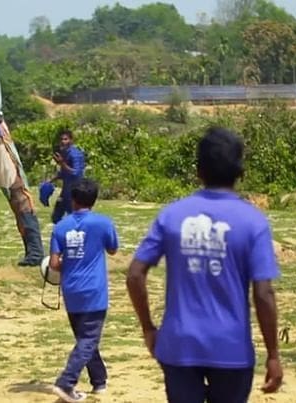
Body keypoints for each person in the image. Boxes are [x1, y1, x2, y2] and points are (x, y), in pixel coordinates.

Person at [126, 128, 283, 403]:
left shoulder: (172, 215)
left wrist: (149, 328)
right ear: (240, 172)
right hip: (232, 349)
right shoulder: (253, 222)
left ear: (198, 170)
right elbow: (263, 294)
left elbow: (135, 275)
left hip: (179, 345)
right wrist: (273, 354)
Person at [49, 178, 119, 403]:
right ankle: (66, 382)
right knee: (88, 340)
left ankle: (99, 381)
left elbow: (53, 264)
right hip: (94, 291)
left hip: (71, 289)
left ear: (73, 199)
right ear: (94, 200)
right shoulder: (103, 223)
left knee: (85, 339)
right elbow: (113, 249)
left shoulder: (60, 227)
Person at [50, 130, 85, 224]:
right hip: (65, 191)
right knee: (56, 217)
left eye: (65, 139)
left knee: (73, 216)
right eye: (61, 139)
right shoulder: (64, 153)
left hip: (75, 191)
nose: (63, 141)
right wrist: (50, 180)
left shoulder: (75, 154)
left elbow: (76, 173)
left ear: (71, 140)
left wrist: (62, 163)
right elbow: (64, 173)